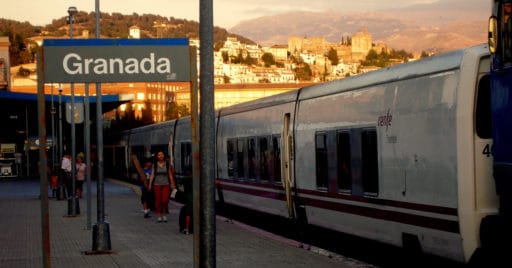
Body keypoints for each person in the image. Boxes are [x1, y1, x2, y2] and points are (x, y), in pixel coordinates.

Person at [148, 151, 176, 223]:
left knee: (165, 200)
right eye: (159, 155)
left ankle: (164, 214)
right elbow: (152, 175)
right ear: (157, 156)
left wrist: (172, 184)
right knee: (158, 201)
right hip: (157, 184)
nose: (161, 156)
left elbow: (170, 175)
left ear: (164, 156)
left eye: (162, 154)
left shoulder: (167, 164)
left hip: (166, 184)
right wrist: (150, 184)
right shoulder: (155, 165)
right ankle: (159, 215)